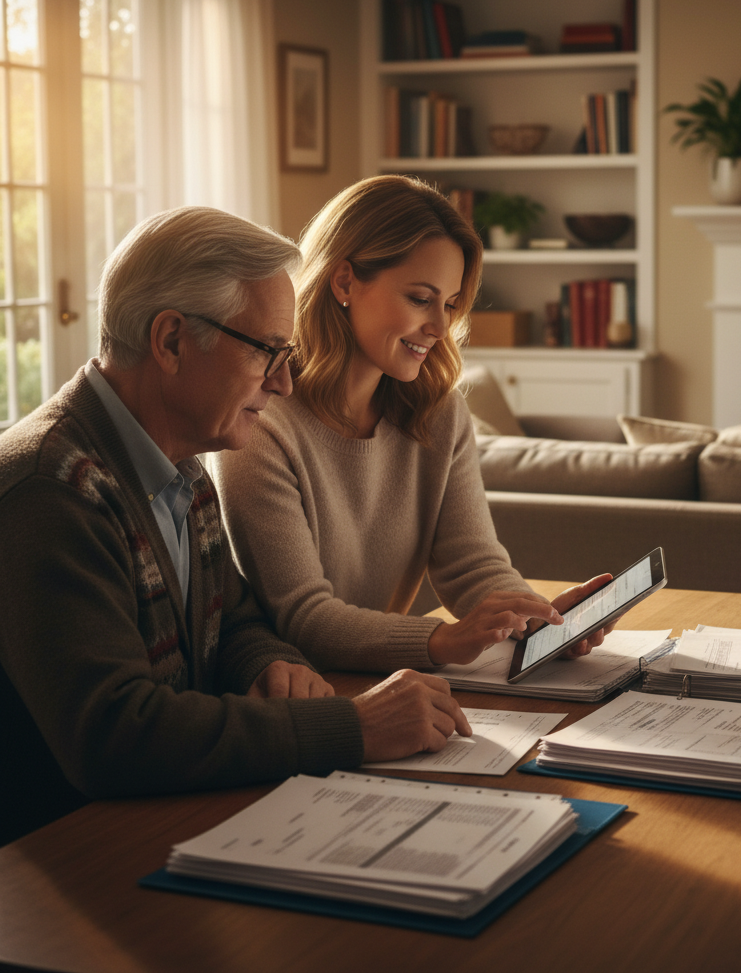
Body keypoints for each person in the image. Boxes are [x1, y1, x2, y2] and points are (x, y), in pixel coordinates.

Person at [0, 206, 471, 847]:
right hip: (67, 853)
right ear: (171, 341)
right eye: (267, 352)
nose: (283, 382)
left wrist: (268, 662)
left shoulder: (182, 464)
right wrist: (353, 727)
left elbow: (236, 621)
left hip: (169, 817)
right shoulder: (50, 490)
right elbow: (115, 734)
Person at [209, 175, 613, 676]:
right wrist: (444, 639)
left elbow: (472, 564)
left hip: (383, 680)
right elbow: (304, 619)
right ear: (344, 282)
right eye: (421, 299)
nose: (441, 328)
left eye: (450, 304)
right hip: (295, 694)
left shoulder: (439, 414)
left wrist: (539, 619)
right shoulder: (260, 422)